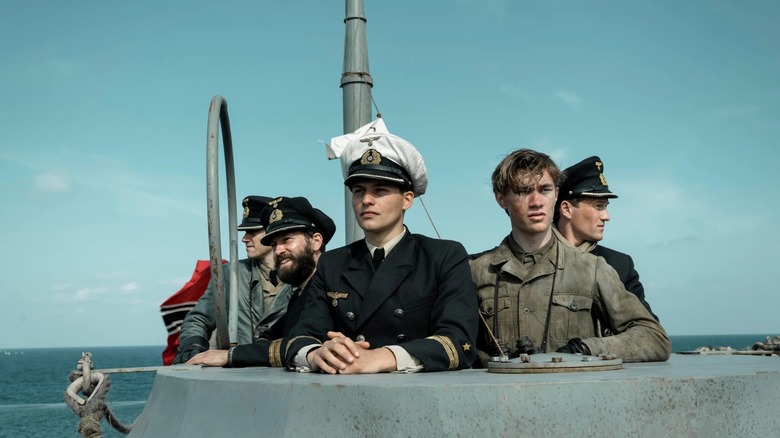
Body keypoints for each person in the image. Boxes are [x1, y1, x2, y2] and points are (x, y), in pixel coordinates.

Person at [284, 124, 478, 374]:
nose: (366, 200)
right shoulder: (333, 264)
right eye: (359, 191)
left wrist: (383, 357)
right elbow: (300, 337)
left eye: (380, 190)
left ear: (407, 199)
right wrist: (316, 354)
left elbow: (459, 342)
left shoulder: (442, 257)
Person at [469, 149, 670, 365]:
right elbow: (458, 344)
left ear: (556, 193)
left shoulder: (592, 269)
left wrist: (583, 349)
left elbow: (654, 338)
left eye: (545, 190)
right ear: (501, 199)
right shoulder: (475, 271)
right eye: (523, 191)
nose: (536, 201)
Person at [187, 196, 335, 367]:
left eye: (286, 240)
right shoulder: (232, 275)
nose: (279, 250)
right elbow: (199, 317)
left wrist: (232, 355)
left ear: (316, 241)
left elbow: (297, 343)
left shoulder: (327, 285)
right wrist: (192, 349)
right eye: (274, 244)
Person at [173, 196, 292, 364]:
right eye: (245, 232)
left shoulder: (301, 275)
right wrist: (193, 344)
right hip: (240, 374)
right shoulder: (231, 274)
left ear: (272, 232)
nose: (244, 238)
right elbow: (198, 318)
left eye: (253, 231)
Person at [554, 156, 657, 321]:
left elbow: (649, 332)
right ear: (566, 209)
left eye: (605, 207)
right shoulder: (537, 258)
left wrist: (594, 348)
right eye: (598, 206)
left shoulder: (620, 266)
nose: (606, 216)